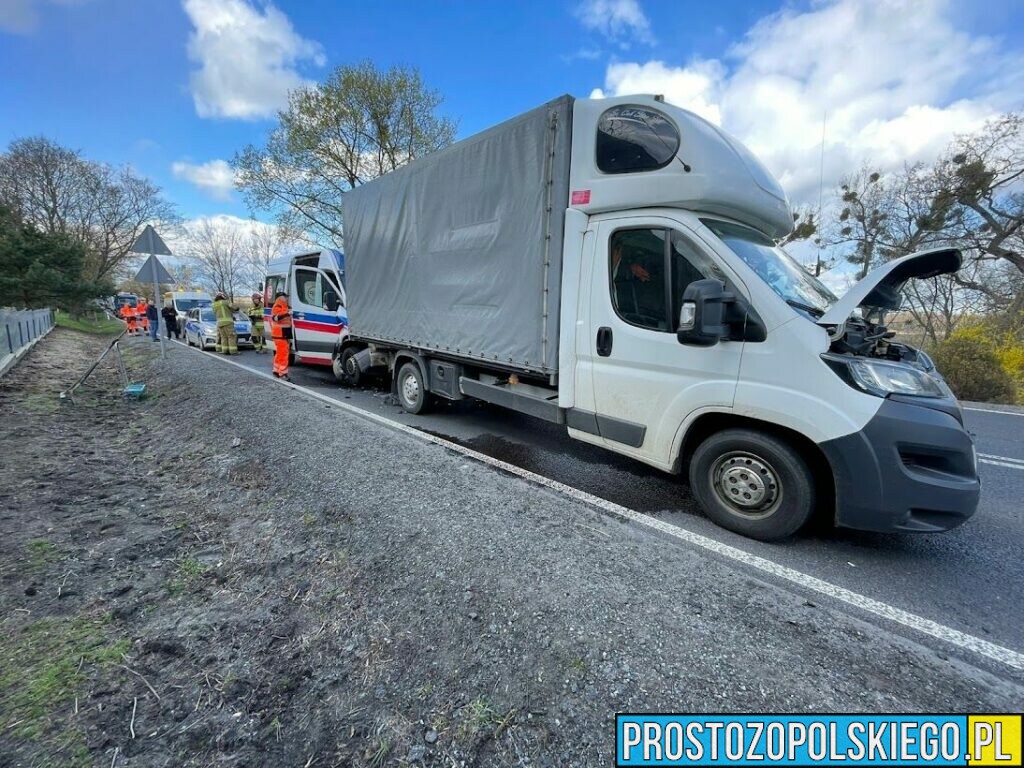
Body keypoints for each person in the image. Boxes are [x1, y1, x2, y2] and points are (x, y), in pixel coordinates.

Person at [270, 291, 292, 380]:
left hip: (283, 333)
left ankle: (276, 370)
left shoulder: (284, 306)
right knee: (283, 354)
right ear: (280, 298)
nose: (287, 298)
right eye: (285, 297)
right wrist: (288, 313)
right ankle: (282, 373)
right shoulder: (277, 306)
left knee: (280, 353)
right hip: (280, 334)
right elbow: (276, 318)